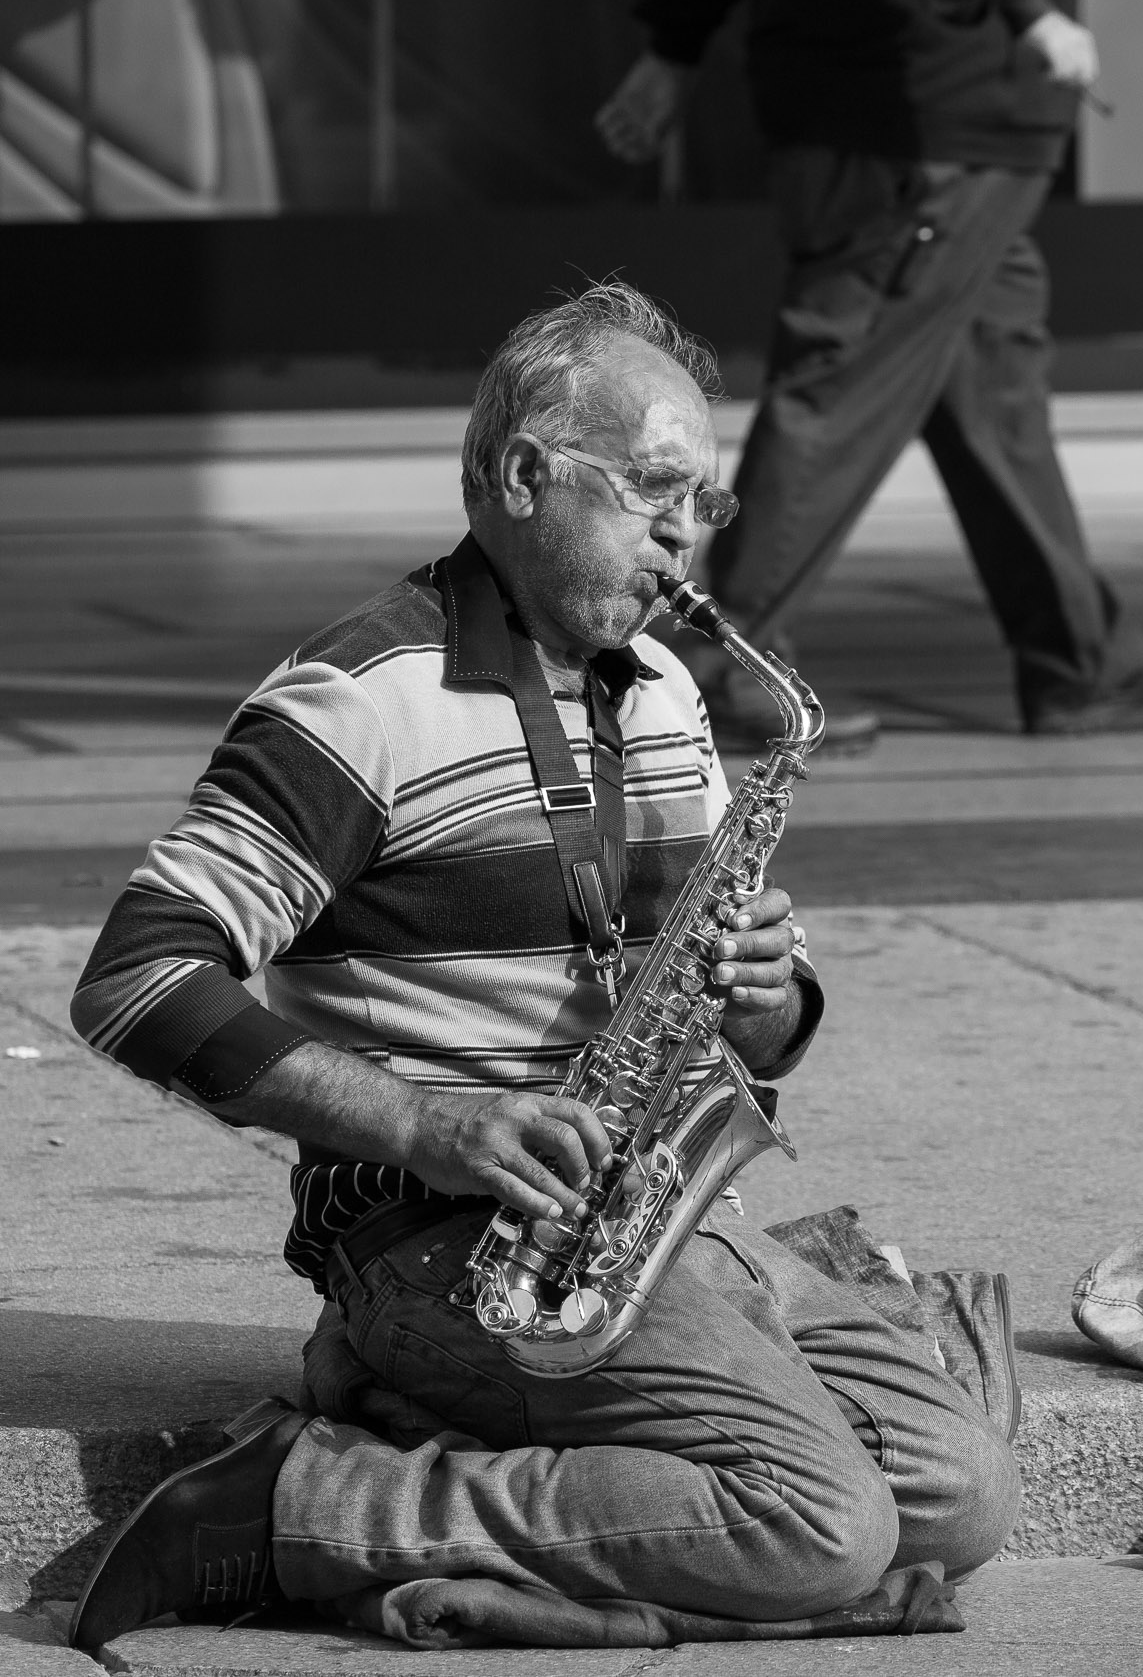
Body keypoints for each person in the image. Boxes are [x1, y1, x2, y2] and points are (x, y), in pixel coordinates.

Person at [63, 283, 1018, 1651]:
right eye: (653, 488)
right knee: (830, 1527)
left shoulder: (664, 689)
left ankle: (445, 1424)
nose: (687, 530)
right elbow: (139, 975)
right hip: (443, 1237)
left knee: (964, 1496)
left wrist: (774, 993)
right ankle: (306, 1500)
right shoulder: (360, 697)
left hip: (653, 1218)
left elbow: (740, 1007)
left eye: (706, 500)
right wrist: (431, 1124)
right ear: (523, 474)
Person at [594, 0, 1143, 750]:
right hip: (919, 136)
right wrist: (1031, 14)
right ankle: (729, 665)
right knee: (841, 394)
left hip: (918, 128)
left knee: (990, 394)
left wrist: (673, 47)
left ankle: (1078, 653)